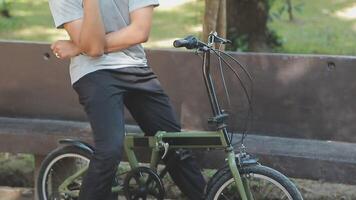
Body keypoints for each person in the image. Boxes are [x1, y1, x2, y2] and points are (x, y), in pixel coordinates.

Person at [48, 0, 206, 199]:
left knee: (173, 144)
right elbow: (94, 49)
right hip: (94, 72)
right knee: (110, 151)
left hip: (136, 68)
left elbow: (139, 31)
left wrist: (79, 46)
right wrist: (88, 42)